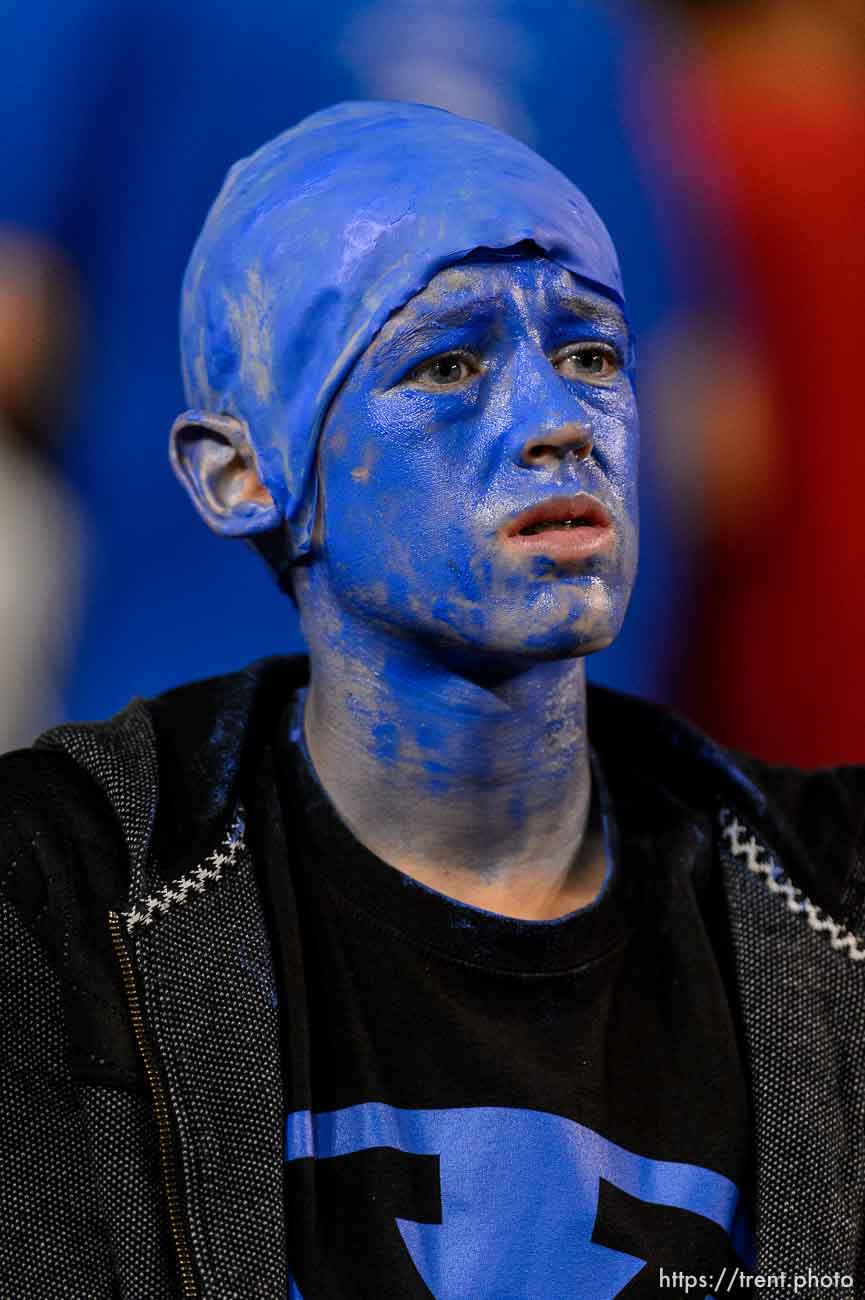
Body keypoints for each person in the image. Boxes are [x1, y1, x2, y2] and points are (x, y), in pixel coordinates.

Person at [1, 102, 862, 1300]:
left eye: (591, 354)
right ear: (242, 472)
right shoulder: (56, 893)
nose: (559, 424)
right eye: (448, 364)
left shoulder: (833, 899)